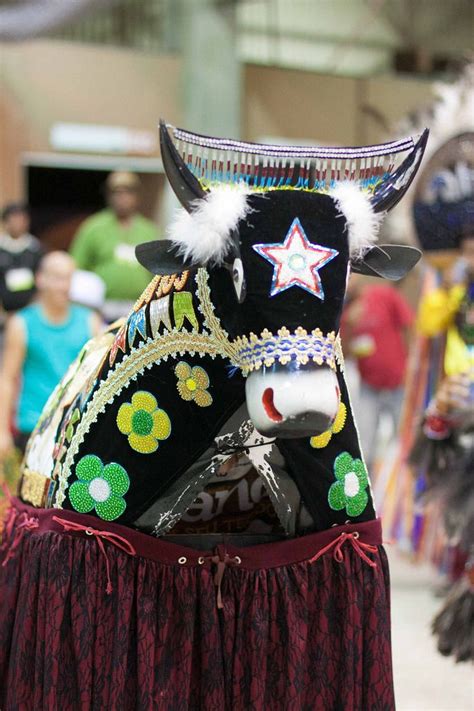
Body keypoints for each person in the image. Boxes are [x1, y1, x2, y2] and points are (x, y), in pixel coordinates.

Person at [0, 252, 102, 457]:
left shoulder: (90, 321)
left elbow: (99, 376)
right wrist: (2, 432)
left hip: (76, 426)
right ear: (40, 279)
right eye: (57, 277)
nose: (63, 286)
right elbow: (8, 378)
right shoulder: (21, 324)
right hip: (34, 426)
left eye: (68, 278)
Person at [342, 274, 415, 468]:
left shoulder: (384, 295)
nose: (348, 284)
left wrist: (410, 366)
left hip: (398, 384)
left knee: (408, 442)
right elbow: (345, 356)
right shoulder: (344, 314)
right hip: (369, 388)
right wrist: (349, 326)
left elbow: (408, 326)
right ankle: (371, 494)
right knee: (365, 446)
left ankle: (409, 492)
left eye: (350, 278)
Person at [70, 171, 158, 321]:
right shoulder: (93, 227)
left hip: (140, 307)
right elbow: (76, 269)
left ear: (136, 196)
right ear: (109, 196)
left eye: (128, 192)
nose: (122, 198)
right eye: (117, 193)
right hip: (101, 308)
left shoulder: (149, 230)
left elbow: (159, 272)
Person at [0, 202, 42, 320]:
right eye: (13, 219)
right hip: (5, 314)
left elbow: (41, 277)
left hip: (31, 310)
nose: (17, 224)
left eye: (21, 219)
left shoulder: (35, 249)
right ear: (5, 222)